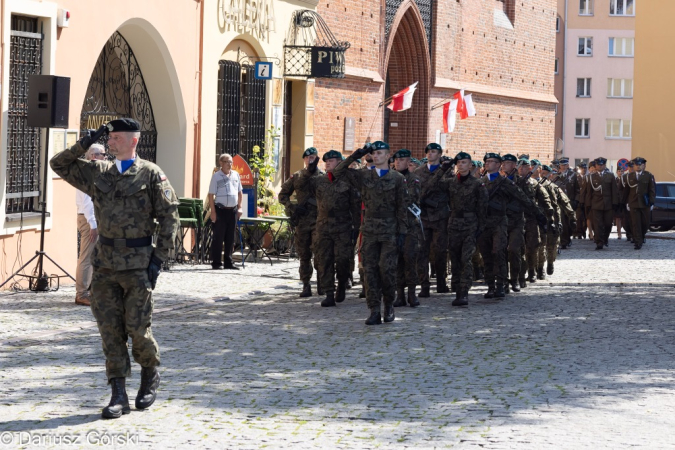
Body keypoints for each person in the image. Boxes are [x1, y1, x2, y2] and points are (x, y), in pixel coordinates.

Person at [50, 118, 179, 419]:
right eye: (110, 138)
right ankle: (117, 393)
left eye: (117, 137)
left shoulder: (150, 174)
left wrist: (159, 259)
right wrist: (85, 142)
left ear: (133, 141)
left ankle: (150, 374)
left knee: (137, 329)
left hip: (137, 264)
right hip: (105, 265)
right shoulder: (98, 172)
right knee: (110, 331)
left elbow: (170, 216)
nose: (111, 142)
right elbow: (59, 164)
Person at [334, 141, 408, 325]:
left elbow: (402, 207)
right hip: (369, 229)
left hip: (390, 230)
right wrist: (357, 154)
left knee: (387, 269)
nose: (376, 156)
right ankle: (374, 309)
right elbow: (337, 172)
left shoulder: (397, 178)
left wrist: (402, 232)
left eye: (380, 153)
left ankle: (389, 305)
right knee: (370, 271)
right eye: (374, 153)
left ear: (388, 156)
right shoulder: (363, 176)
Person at [479, 153, 544, 298]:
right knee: (487, 255)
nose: (488, 164)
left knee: (505, 251)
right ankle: (491, 285)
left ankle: (508, 281)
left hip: (508, 222)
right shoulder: (480, 182)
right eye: (486, 161)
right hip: (485, 224)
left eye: (491, 161)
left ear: (498, 165)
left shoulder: (508, 182)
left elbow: (525, 199)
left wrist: (540, 216)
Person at [307, 150, 360, 306]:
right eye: (326, 161)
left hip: (343, 227)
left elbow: (356, 206)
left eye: (332, 160)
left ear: (340, 162)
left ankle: (342, 283)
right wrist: (310, 169)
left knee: (343, 260)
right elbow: (304, 184)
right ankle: (329, 292)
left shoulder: (348, 181)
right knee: (324, 260)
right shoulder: (319, 181)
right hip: (323, 227)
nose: (328, 163)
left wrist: (356, 228)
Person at [279, 148, 323, 297]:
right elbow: (283, 194)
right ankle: (306, 285)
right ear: (304, 159)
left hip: (318, 221)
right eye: (308, 157)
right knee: (304, 255)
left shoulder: (323, 177)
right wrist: (293, 207)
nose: (310, 159)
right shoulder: (297, 176)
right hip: (302, 222)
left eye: (313, 157)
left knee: (320, 253)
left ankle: (321, 283)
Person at [415, 143, 450, 297]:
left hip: (441, 216)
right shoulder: (418, 172)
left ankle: (441, 281)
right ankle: (424, 284)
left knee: (440, 251)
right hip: (423, 217)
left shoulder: (447, 173)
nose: (430, 154)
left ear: (440, 154)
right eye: (428, 151)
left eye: (434, 151)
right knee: (422, 251)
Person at [74, 144, 106, 306]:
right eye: (102, 154)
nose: (105, 157)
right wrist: (93, 224)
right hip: (88, 219)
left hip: (93, 218)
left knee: (94, 256)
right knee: (86, 257)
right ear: (94, 157)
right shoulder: (87, 175)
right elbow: (87, 203)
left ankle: (91, 291)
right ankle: (82, 293)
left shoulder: (93, 173)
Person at [392, 149, 422, 308]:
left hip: (410, 227)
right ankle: (400, 295)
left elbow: (409, 198)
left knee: (410, 259)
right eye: (396, 160)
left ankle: (412, 293)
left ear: (408, 162)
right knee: (397, 262)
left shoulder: (413, 179)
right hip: (394, 227)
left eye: (402, 160)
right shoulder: (390, 178)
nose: (398, 162)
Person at [208, 154, 243, 270]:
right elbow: (211, 195)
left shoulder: (236, 175)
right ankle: (216, 262)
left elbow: (239, 192)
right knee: (218, 237)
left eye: (231, 162)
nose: (230, 164)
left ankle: (229, 262)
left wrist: (240, 207)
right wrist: (213, 212)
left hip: (232, 210)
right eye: (227, 162)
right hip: (220, 209)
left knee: (230, 237)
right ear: (221, 163)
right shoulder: (216, 177)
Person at [587, 157, 619, 250]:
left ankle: (605, 239)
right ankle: (599, 242)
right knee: (597, 224)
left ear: (605, 165)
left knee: (608, 224)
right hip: (596, 204)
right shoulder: (591, 177)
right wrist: (588, 204)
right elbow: (589, 192)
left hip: (608, 204)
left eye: (602, 165)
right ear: (595, 166)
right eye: (598, 165)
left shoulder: (610, 175)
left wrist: (615, 203)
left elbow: (614, 190)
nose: (600, 166)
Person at [626, 157, 656, 250]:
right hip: (633, 203)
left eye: (640, 165)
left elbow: (652, 190)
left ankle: (642, 236)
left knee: (645, 223)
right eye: (636, 165)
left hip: (645, 203)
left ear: (644, 166)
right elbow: (626, 191)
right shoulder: (629, 176)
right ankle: (637, 241)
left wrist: (651, 202)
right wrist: (626, 202)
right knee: (636, 223)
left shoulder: (648, 175)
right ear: (634, 166)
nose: (638, 166)